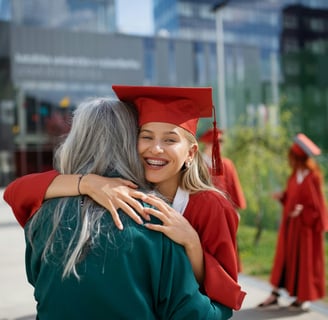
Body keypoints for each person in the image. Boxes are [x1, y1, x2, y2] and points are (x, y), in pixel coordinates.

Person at [4, 85, 246, 310]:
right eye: (146, 136)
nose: (156, 148)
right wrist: (87, 183)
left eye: (170, 140)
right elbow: (17, 191)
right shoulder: (121, 188)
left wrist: (192, 243)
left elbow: (224, 293)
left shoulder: (210, 205)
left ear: (191, 153)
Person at [257, 133, 328, 311]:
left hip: (306, 230)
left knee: (303, 262)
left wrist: (303, 211)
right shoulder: (294, 175)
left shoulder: (313, 177)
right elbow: (291, 198)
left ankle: (303, 297)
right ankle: (275, 294)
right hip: (290, 227)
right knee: (284, 259)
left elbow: (318, 207)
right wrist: (283, 197)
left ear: (298, 158)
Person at [198, 128, 247, 272]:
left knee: (225, 249)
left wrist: (235, 211)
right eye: (217, 142)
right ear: (207, 144)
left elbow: (233, 189)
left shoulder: (227, 164)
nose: (220, 145)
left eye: (221, 142)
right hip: (203, 214)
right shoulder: (197, 164)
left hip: (224, 213)